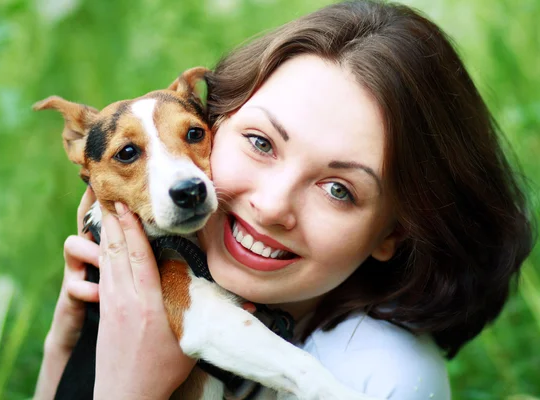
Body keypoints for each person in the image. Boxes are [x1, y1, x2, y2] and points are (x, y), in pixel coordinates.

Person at [34, 1, 535, 399]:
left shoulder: (383, 377)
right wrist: (66, 349)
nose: (272, 206)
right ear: (221, 119)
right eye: (261, 143)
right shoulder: (139, 282)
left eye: (340, 189)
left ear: (394, 232)